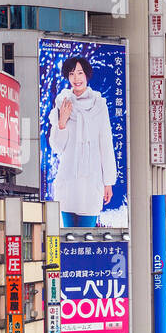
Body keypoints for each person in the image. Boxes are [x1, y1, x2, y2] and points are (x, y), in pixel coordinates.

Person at [46, 55, 118, 227]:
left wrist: (108, 182)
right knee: (68, 240)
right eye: (71, 74)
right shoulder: (62, 103)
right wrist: (61, 122)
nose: (76, 78)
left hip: (91, 181)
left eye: (79, 73)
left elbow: (106, 144)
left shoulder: (99, 105)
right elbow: (57, 146)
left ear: (86, 74)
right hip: (68, 180)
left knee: (87, 238)